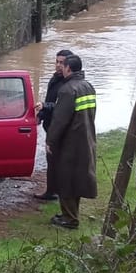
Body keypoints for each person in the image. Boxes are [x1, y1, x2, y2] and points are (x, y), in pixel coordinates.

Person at [45, 53, 97, 230]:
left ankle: (69, 219)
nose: (61, 68)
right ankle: (70, 213)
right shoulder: (88, 86)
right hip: (86, 138)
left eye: (63, 65)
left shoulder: (67, 90)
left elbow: (60, 120)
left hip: (70, 142)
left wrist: (50, 141)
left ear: (68, 68)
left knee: (65, 179)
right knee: (77, 179)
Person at [33, 48, 74, 202]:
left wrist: (45, 106)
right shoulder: (55, 78)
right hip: (50, 125)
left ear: (68, 65)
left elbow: (62, 106)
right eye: (56, 62)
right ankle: (52, 190)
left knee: (57, 160)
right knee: (52, 160)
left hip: (60, 128)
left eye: (61, 63)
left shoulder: (69, 84)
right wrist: (41, 116)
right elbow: (50, 99)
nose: (58, 65)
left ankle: (56, 192)